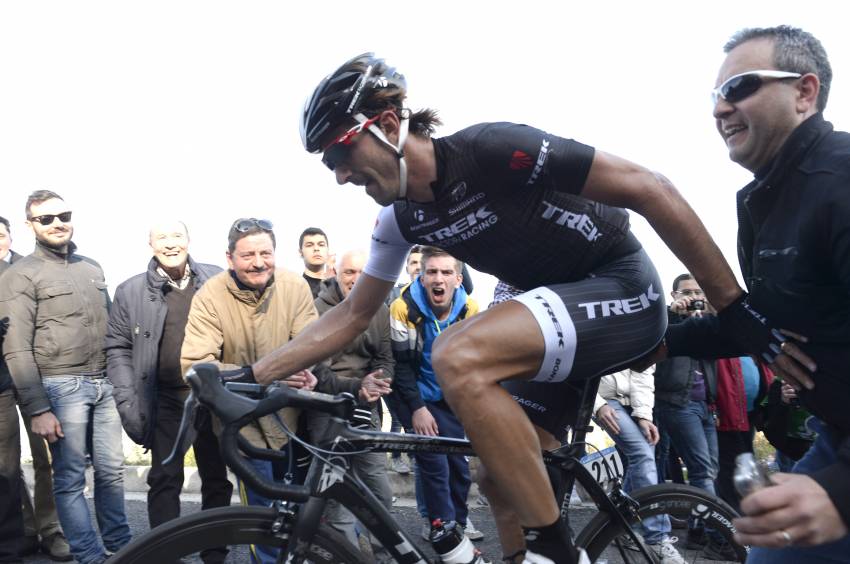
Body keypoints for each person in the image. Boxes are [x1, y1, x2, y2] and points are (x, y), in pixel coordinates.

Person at [250, 53, 782, 564]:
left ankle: (554, 548)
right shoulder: (399, 221)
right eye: (328, 164)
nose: (340, 175)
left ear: (388, 124)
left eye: (340, 154)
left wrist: (732, 306)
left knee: (455, 352)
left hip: (621, 287)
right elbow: (350, 315)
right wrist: (252, 377)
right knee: (493, 475)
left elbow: (649, 187)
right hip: (558, 315)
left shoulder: (493, 151)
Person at [660, 25, 850, 561]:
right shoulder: (768, 197)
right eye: (716, 95)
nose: (721, 108)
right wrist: (658, 341)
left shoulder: (840, 181)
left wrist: (840, 492)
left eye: (740, 86)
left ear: (805, 92)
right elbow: (758, 320)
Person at [0, 191, 131, 564]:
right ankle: (89, 556)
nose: (57, 223)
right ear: (30, 225)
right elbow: (17, 348)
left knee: (112, 472)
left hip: (103, 384)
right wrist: (38, 407)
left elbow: (113, 331)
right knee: (70, 477)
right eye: (45, 218)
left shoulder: (91, 267)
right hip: (60, 387)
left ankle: (122, 548)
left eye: (63, 215)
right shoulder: (19, 275)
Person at [105, 220, 231, 564]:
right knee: (164, 478)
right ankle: (166, 556)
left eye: (177, 236)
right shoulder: (130, 290)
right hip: (167, 399)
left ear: (189, 240)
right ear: (150, 245)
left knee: (218, 478)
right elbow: (117, 347)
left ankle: (215, 555)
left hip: (214, 394)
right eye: (162, 238)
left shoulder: (217, 278)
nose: (170, 244)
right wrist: (127, 399)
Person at [389, 247, 487, 558]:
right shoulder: (402, 307)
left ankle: (457, 523)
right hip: (412, 392)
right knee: (435, 464)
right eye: (432, 272)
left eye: (446, 273)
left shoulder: (470, 308)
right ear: (421, 275)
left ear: (458, 279)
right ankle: (444, 532)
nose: (438, 279)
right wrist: (417, 409)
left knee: (458, 464)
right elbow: (402, 366)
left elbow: (473, 362)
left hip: (450, 394)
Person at [310, 248, 394, 560]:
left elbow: (385, 357)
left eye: (362, 273)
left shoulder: (380, 309)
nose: (356, 280)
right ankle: (346, 554)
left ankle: (381, 549)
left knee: (378, 485)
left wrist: (380, 383)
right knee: (335, 488)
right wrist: (359, 387)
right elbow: (318, 374)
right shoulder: (319, 309)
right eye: (349, 273)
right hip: (326, 406)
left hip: (366, 402)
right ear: (335, 273)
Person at [0, 216, 71, 562]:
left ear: (11, 237)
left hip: (33, 377)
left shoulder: (27, 271)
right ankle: (25, 527)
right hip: (0, 382)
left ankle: (52, 529)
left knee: (47, 458)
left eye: (0, 235)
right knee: (6, 466)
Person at [652, 274, 733, 557]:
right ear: (674, 295)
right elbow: (653, 347)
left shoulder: (703, 323)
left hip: (705, 406)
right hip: (676, 402)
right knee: (702, 470)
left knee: (710, 469)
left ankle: (697, 531)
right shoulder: (662, 319)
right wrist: (673, 317)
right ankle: (715, 535)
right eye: (687, 292)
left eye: (699, 291)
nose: (694, 296)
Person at [593, 368, 685, 563]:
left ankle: (624, 526)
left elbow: (643, 373)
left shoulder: (644, 337)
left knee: (641, 461)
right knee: (642, 456)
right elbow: (582, 362)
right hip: (604, 398)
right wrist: (598, 404)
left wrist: (644, 416)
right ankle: (657, 539)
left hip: (634, 404)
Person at [713, 355, 773, 514]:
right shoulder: (721, 342)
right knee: (730, 467)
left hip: (750, 414)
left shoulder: (750, 343)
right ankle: (734, 518)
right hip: (726, 416)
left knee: (746, 459)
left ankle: (748, 510)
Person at [298, 227, 332, 298]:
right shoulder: (297, 288)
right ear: (300, 252)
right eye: (309, 245)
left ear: (328, 250)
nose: (316, 249)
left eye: (321, 245)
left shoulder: (337, 285)